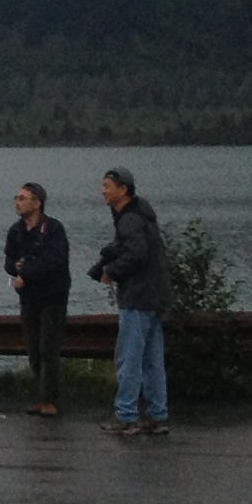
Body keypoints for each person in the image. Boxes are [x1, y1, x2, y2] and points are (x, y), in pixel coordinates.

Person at [89, 167, 171, 437]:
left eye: (107, 186)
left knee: (129, 358)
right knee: (152, 359)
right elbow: (131, 248)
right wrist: (108, 257)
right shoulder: (140, 216)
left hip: (137, 297)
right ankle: (157, 416)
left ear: (123, 190)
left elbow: (136, 253)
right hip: (155, 296)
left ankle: (126, 416)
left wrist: (112, 271)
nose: (103, 190)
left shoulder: (129, 220)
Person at [5, 184, 70, 417]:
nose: (17, 202)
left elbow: (54, 260)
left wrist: (26, 271)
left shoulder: (53, 229)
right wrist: (16, 270)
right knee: (33, 348)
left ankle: (50, 400)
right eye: (17, 197)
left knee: (48, 349)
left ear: (37, 202)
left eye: (23, 198)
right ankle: (41, 397)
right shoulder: (15, 231)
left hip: (53, 296)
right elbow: (9, 261)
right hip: (28, 298)